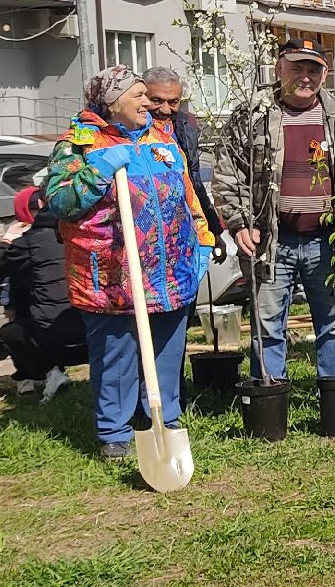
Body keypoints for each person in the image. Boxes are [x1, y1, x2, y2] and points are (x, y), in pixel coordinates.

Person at [44, 65, 216, 459]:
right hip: (111, 273)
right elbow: (60, 202)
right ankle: (114, 432)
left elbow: (187, 195)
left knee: (167, 351)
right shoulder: (80, 145)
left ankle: (165, 418)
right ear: (111, 101)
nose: (147, 103)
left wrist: (201, 240)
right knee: (116, 355)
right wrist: (99, 170)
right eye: (138, 95)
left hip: (171, 269)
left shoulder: (161, 139)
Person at [212, 38, 335, 388]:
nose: (305, 77)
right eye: (297, 68)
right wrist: (240, 223)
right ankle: (270, 395)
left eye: (313, 69)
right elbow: (228, 174)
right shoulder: (252, 118)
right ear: (279, 68)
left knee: (334, 320)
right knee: (268, 323)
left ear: (325, 73)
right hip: (273, 241)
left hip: (328, 241)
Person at [0, 187, 85, 400]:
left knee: (11, 331)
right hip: (95, 333)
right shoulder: (79, 231)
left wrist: (7, 240)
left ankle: (44, 373)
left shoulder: (30, 242)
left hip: (57, 340)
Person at [143, 66, 227, 249]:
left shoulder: (185, 126)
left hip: (180, 237)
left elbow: (194, 183)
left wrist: (214, 231)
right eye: (156, 100)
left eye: (173, 102)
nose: (165, 110)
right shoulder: (129, 131)